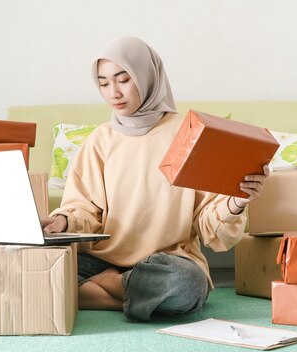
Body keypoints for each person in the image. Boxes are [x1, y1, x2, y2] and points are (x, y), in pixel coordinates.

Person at [41, 36, 269, 321]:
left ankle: (100, 291)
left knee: (186, 284)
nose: (113, 92)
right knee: (41, 267)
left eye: (123, 79)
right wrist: (62, 221)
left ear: (147, 76)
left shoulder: (188, 135)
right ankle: (126, 296)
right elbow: (86, 211)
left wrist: (237, 201)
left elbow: (209, 227)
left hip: (167, 263)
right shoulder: (100, 140)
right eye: (103, 83)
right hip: (101, 261)